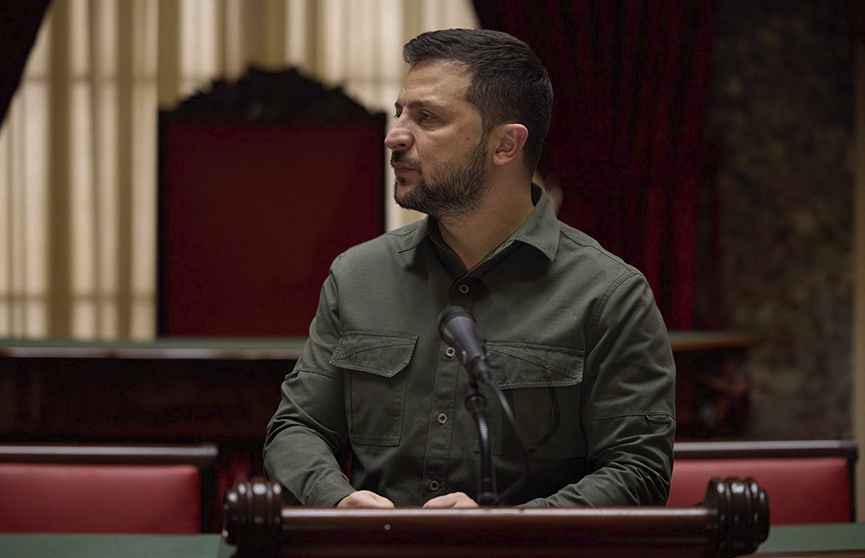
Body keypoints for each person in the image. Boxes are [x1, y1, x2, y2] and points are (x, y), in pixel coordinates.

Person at [264, 28, 675, 509]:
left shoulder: (608, 294)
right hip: (378, 541)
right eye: (400, 113)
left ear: (505, 145)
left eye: (427, 118)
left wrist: (508, 526)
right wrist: (336, 500)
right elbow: (298, 429)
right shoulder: (357, 276)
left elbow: (638, 471)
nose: (394, 136)